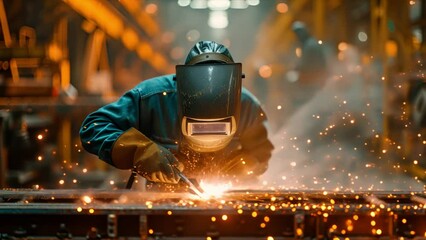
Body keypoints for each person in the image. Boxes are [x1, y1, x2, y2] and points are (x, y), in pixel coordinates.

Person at [79, 41, 274, 191]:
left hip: (229, 197)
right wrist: (139, 151)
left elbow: (261, 151)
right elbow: (93, 127)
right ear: (181, 91)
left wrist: (246, 164)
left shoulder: (247, 106)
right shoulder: (152, 98)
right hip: (161, 201)